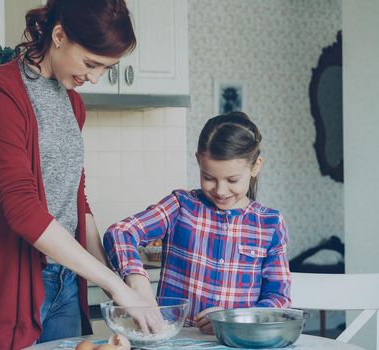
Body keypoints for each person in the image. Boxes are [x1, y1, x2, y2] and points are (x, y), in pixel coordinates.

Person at [0, 1, 162, 349]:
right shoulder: (0, 95)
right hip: (12, 284)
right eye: (91, 63)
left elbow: (76, 201)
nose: (94, 78)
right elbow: (23, 211)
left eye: (106, 69)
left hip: (65, 281)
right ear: (59, 35)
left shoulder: (72, 103)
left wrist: (126, 277)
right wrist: (115, 285)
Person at [103, 111, 292, 334]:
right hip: (172, 341)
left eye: (232, 180)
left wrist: (233, 320)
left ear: (256, 166)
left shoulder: (269, 224)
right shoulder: (180, 206)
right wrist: (137, 281)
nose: (220, 191)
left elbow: (278, 298)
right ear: (198, 161)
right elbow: (120, 232)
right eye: (209, 177)